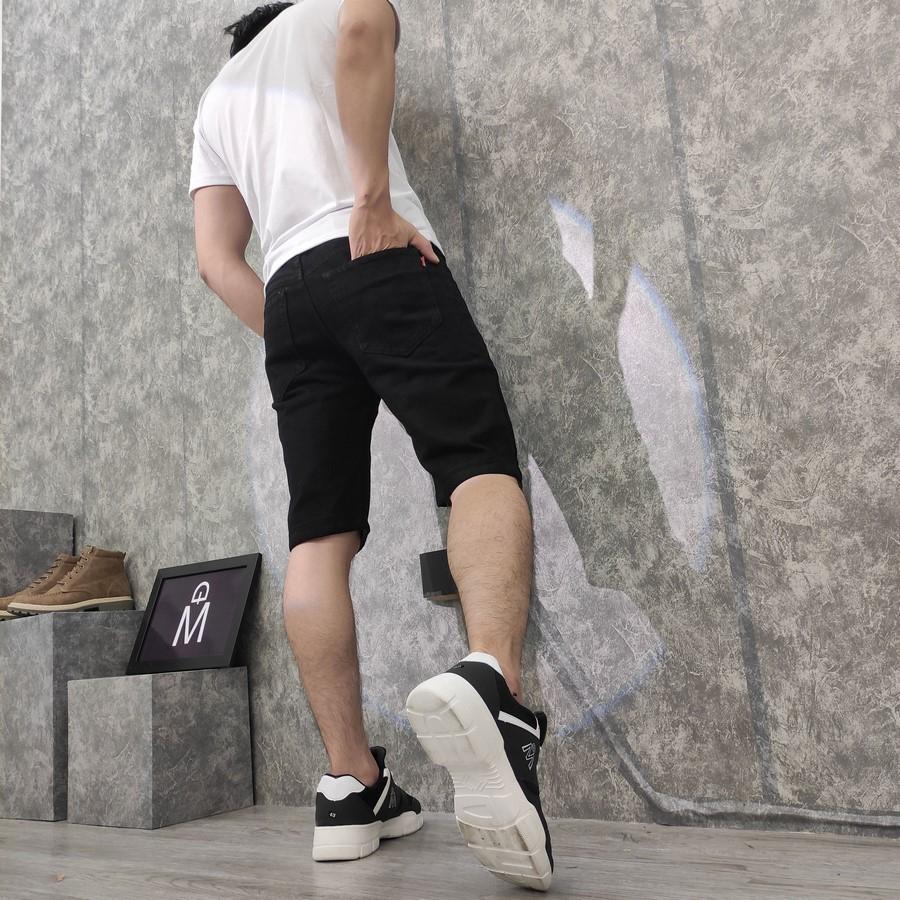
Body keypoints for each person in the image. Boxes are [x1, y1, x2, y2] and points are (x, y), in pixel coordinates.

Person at [188, 0, 552, 889]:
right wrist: (373, 203)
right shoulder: (331, 9)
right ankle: (496, 690)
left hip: (289, 295)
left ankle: (351, 784)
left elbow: (216, 260)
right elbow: (360, 30)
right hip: (369, 250)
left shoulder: (218, 97)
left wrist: (294, 336)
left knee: (319, 535)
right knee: (475, 461)